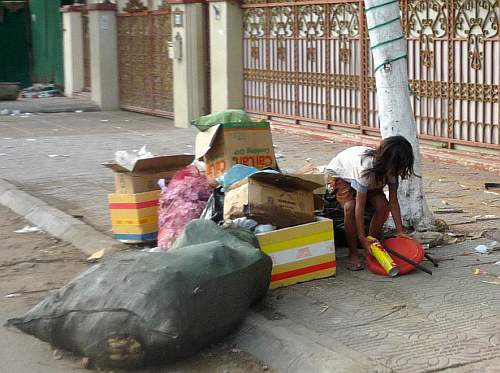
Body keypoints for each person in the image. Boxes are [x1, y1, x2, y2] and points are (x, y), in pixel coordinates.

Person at [326, 136, 414, 271]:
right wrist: (361, 238)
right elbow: (359, 207)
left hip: (370, 178)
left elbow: (393, 201)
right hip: (343, 174)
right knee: (350, 207)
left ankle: (373, 242)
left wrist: (400, 230)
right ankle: (353, 253)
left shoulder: (392, 169)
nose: (399, 170)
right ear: (388, 160)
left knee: (382, 206)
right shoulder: (366, 168)